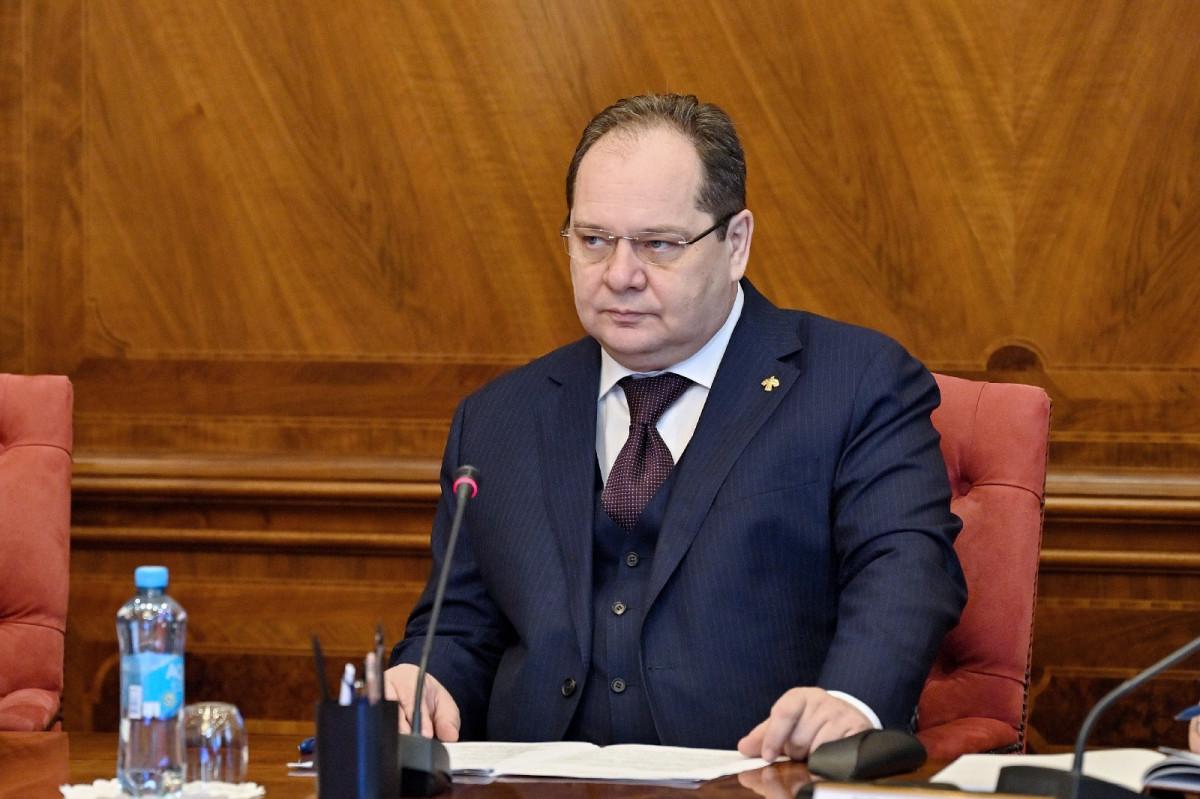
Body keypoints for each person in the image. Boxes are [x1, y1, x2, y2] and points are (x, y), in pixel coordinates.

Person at [384, 93, 966, 762]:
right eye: (593, 240)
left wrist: (850, 702)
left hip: (759, 774)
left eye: (658, 244)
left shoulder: (854, 381)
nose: (620, 275)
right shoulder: (498, 417)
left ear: (735, 243)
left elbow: (906, 567)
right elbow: (460, 626)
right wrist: (425, 680)